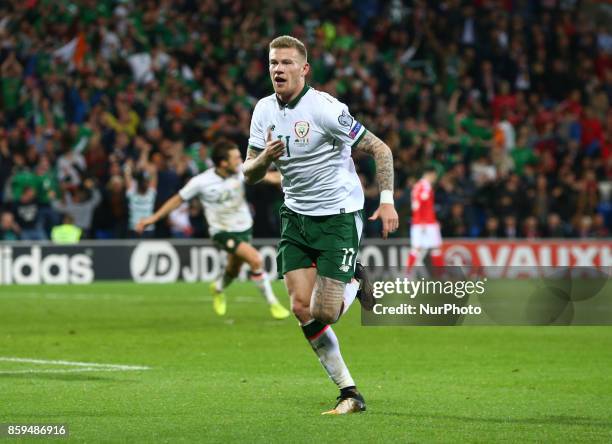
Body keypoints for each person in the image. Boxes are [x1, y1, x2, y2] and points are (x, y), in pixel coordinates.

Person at [242, 35, 398, 415]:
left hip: (338, 216)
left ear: (304, 69)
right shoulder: (263, 110)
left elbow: (381, 148)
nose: (278, 69)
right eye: (273, 62)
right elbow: (248, 173)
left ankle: (356, 278)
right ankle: (349, 392)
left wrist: (388, 201)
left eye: (286, 63)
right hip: (296, 217)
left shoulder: (326, 109)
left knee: (325, 312)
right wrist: (264, 158)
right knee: (301, 308)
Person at [136, 139, 291, 320]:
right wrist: (152, 218)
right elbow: (177, 200)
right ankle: (273, 304)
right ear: (223, 163)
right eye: (236, 158)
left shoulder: (240, 171)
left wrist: (292, 178)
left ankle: (217, 288)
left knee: (233, 270)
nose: (240, 160)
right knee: (256, 260)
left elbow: (269, 177)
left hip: (244, 228)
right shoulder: (201, 182)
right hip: (222, 231)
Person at [406, 167, 443, 272]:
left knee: (417, 248)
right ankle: (440, 274)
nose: (435, 178)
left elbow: (417, 206)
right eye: (435, 176)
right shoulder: (425, 187)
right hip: (426, 223)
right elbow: (420, 204)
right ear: (430, 174)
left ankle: (407, 274)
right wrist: (423, 221)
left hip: (420, 222)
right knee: (435, 248)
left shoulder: (417, 186)